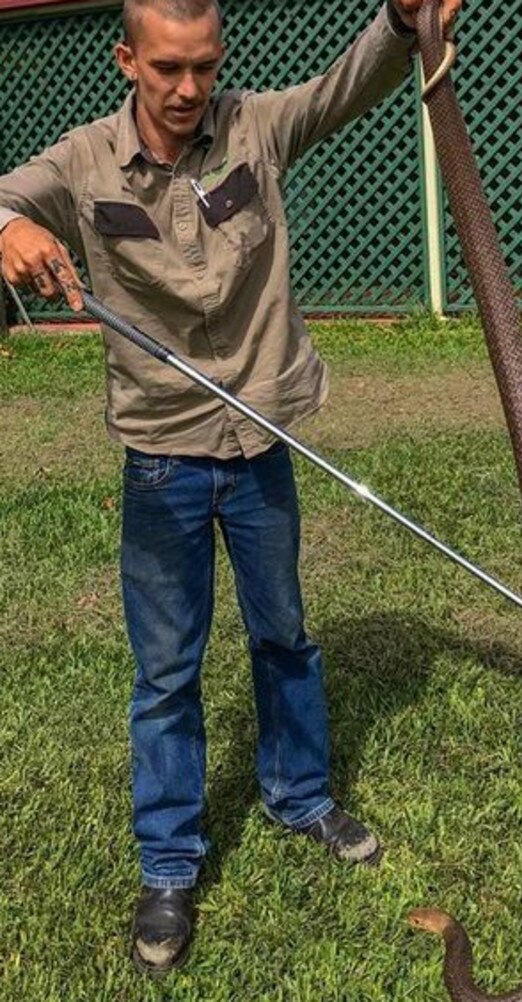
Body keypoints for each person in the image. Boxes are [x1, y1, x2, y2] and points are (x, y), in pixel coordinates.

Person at [0, 0, 461, 977]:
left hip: (258, 446)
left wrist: (397, 22)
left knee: (282, 631)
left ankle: (298, 796)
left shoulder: (254, 127)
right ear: (126, 58)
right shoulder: (83, 161)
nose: (185, 88)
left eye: (202, 66)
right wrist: (7, 225)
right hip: (160, 460)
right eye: (165, 67)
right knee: (166, 669)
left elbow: (349, 87)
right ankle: (168, 863)